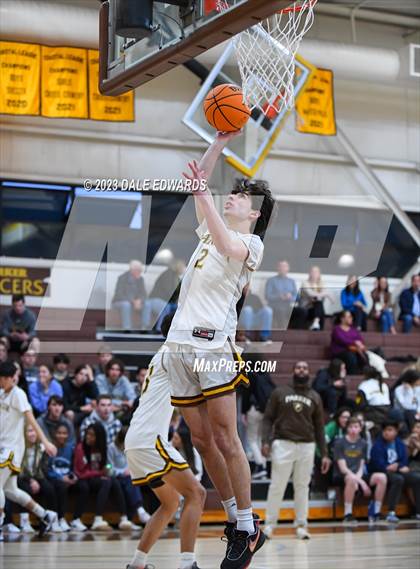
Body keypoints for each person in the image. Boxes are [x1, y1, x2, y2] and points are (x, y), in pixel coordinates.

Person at [166, 135, 275, 568]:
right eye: (230, 194)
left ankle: (248, 526)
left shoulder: (251, 245)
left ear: (255, 212)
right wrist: (218, 141)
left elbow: (227, 242)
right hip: (178, 343)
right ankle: (234, 518)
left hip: (213, 346)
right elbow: (202, 184)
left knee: (227, 438)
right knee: (200, 439)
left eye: (241, 197)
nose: (231, 197)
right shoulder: (208, 234)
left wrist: (203, 196)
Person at [125, 316, 206, 569]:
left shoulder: (166, 353)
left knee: (170, 503)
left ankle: (138, 564)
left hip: (138, 439)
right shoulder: (174, 353)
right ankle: (187, 563)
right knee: (197, 493)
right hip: (150, 440)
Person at [262, 361, 331, 540]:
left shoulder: (315, 396)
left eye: (305, 368)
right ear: (293, 371)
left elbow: (320, 428)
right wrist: (265, 441)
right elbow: (268, 418)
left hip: (307, 445)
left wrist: (324, 454)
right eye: (299, 367)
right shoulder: (280, 392)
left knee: (302, 487)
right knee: (277, 485)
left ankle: (301, 525)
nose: (302, 370)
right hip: (283, 443)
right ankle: (269, 525)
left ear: (309, 372)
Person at [0, 360, 57, 542]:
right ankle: (46, 515)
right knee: (10, 490)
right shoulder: (1, 394)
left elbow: (31, 420)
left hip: (11, 449)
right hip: (2, 446)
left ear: (12, 378)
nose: (1, 381)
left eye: (4, 378)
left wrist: (46, 442)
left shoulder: (18, 394)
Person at [73, 422, 128, 531]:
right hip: (82, 478)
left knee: (113, 481)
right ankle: (90, 519)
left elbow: (105, 467)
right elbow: (81, 473)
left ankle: (124, 518)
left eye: (92, 435)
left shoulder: (102, 449)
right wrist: (100, 473)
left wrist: (106, 471)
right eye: (88, 434)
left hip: (94, 478)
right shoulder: (81, 448)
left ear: (99, 437)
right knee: (88, 486)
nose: (88, 437)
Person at [333, 416, 387, 524]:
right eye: (350, 427)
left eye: (356, 427)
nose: (353, 429)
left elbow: (361, 466)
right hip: (343, 475)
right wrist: (362, 483)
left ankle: (377, 512)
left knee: (382, 477)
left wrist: (359, 479)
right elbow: (343, 469)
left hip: (358, 474)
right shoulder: (339, 443)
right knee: (351, 479)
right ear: (347, 428)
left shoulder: (363, 443)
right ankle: (348, 514)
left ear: (360, 429)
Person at [369, 420, 420, 522]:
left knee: (417, 478)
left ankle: (418, 512)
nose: (386, 432)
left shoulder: (399, 443)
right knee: (398, 479)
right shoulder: (378, 445)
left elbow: (404, 460)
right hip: (382, 472)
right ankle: (391, 512)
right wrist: (388, 467)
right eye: (384, 430)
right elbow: (376, 463)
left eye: (390, 430)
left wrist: (400, 466)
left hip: (396, 470)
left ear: (396, 432)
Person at [17, 424, 61, 533]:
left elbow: (43, 468)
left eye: (34, 431)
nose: (32, 434)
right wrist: (31, 480)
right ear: (23, 433)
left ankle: (52, 520)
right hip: (21, 477)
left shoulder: (41, 447)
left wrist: (36, 480)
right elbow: (19, 469)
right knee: (25, 489)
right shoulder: (19, 447)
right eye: (29, 431)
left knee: (49, 488)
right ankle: (24, 522)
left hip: (37, 476)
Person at [108, 427, 151, 527]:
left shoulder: (132, 447)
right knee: (131, 482)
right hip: (116, 477)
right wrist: (122, 472)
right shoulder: (111, 448)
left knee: (136, 481)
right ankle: (140, 510)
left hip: (130, 476)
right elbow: (109, 467)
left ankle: (132, 518)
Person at [241, 366, 276, 480]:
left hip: (253, 410)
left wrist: (243, 412)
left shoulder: (251, 376)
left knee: (252, 440)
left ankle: (260, 466)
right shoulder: (266, 377)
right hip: (265, 411)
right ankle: (263, 466)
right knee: (260, 439)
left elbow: (246, 395)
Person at [46, 423, 76, 532]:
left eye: (64, 433)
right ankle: (58, 518)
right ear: (55, 434)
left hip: (66, 477)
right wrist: (60, 478)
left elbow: (73, 466)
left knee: (83, 486)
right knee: (59, 487)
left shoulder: (70, 448)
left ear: (68, 435)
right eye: (59, 433)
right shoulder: (50, 448)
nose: (62, 436)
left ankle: (75, 520)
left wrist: (73, 476)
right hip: (53, 478)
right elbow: (47, 469)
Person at [142, 259, 186, 332]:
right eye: (182, 267)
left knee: (179, 308)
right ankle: (159, 329)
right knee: (165, 307)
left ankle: (175, 329)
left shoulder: (177, 277)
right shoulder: (168, 274)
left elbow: (177, 293)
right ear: (178, 267)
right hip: (156, 298)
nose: (183, 270)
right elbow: (169, 291)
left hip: (167, 301)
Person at [265, 260, 304, 329]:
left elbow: (297, 297)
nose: (282, 268)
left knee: (302, 311)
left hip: (288, 305)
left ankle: (296, 330)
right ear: (277, 268)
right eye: (281, 266)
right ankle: (282, 331)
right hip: (275, 306)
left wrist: (290, 297)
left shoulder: (291, 281)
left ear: (288, 268)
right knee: (281, 310)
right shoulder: (271, 280)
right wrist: (279, 296)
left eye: (284, 266)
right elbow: (267, 296)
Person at [112, 260, 147, 330]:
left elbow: (144, 294)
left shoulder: (141, 279)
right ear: (132, 270)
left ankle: (144, 327)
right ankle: (127, 328)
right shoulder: (122, 278)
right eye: (139, 270)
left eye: (141, 270)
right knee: (126, 305)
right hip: (119, 302)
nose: (140, 272)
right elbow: (119, 294)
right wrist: (133, 301)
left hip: (135, 303)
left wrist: (139, 300)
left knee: (147, 304)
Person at [330, 310, 368, 374]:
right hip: (340, 352)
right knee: (350, 356)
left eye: (351, 317)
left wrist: (360, 344)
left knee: (367, 354)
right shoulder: (337, 329)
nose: (351, 318)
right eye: (349, 317)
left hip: (354, 350)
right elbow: (342, 340)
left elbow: (360, 339)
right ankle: (353, 374)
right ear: (342, 319)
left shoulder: (353, 329)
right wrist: (355, 342)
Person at [355, 366, 391, 431]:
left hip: (374, 413)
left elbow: (359, 402)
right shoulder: (384, 384)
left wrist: (356, 402)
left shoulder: (363, 385)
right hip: (387, 411)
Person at [299, 266, 331, 331]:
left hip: (316, 308)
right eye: (313, 271)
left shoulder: (321, 283)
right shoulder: (305, 283)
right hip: (306, 307)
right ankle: (316, 325)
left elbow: (323, 296)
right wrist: (325, 294)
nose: (314, 273)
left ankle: (316, 323)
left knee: (319, 304)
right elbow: (310, 293)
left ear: (319, 274)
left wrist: (322, 295)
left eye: (316, 272)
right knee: (319, 306)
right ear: (310, 273)